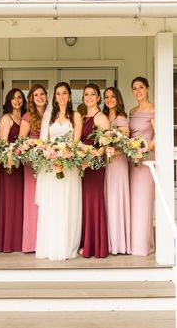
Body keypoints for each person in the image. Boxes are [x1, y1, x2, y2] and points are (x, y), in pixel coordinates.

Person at [35, 82, 83, 260]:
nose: (61, 96)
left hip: (69, 168)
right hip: (51, 167)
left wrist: (65, 157)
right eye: (58, 94)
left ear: (69, 96)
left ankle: (66, 246)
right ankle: (50, 246)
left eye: (64, 93)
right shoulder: (49, 117)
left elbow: (76, 142)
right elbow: (44, 141)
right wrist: (52, 156)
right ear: (54, 97)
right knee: (52, 205)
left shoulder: (76, 115)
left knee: (68, 204)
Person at [79, 83, 109, 258]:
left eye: (92, 94)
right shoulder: (82, 117)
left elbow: (104, 145)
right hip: (82, 165)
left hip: (95, 166)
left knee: (93, 201)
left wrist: (90, 161)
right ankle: (86, 243)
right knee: (84, 203)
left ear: (98, 98)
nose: (89, 97)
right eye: (86, 94)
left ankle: (95, 246)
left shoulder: (101, 118)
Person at [19, 84, 48, 253]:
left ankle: (46, 239)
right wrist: (33, 149)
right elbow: (22, 141)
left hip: (50, 162)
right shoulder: (28, 116)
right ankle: (31, 242)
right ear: (31, 98)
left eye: (42, 94)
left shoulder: (52, 115)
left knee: (47, 200)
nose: (39, 97)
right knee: (33, 201)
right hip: (33, 164)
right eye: (36, 94)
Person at [129, 76, 155, 256]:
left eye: (140, 87)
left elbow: (158, 136)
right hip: (132, 160)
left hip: (146, 160)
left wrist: (143, 149)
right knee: (132, 201)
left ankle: (143, 245)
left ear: (147, 88)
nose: (137, 91)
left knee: (143, 201)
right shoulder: (132, 111)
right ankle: (132, 243)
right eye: (134, 88)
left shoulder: (154, 109)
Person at [103, 87, 131, 255]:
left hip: (118, 163)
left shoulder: (121, 118)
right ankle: (109, 240)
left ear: (117, 98)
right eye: (106, 97)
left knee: (117, 199)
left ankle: (119, 243)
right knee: (108, 200)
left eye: (112, 96)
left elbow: (125, 143)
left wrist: (115, 151)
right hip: (106, 162)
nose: (109, 99)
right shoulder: (105, 117)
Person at [0, 88, 27, 252]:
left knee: (20, 201)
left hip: (21, 165)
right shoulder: (7, 118)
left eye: (19, 97)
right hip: (9, 164)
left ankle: (20, 240)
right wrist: (10, 157)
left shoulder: (23, 117)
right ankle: (9, 242)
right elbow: (3, 143)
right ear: (9, 101)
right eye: (14, 98)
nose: (17, 101)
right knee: (11, 201)